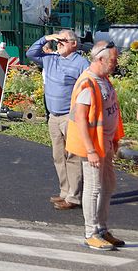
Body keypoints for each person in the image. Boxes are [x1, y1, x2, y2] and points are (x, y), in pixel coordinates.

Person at [66, 41, 125, 250]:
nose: (115, 64)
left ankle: (101, 229)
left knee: (108, 186)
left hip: (105, 144)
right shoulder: (87, 83)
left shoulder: (103, 80)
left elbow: (111, 111)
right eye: (113, 60)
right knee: (93, 189)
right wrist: (90, 150)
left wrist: (115, 139)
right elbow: (81, 119)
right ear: (100, 59)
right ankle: (91, 232)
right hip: (93, 147)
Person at [27, 30, 89, 210]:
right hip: (53, 116)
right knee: (58, 156)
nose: (59, 43)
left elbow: (89, 88)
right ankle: (65, 191)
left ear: (74, 44)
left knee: (73, 157)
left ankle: (74, 196)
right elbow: (30, 53)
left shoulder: (81, 63)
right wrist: (46, 38)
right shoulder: (50, 59)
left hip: (70, 117)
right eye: (58, 41)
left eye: (63, 41)